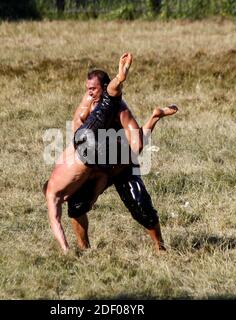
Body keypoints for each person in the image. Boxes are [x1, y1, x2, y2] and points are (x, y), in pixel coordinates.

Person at [44, 53, 178, 253]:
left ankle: (160, 248)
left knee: (141, 206)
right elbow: (78, 134)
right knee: (77, 205)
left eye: (94, 89)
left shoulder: (119, 109)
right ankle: (84, 247)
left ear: (104, 87)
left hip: (121, 162)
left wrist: (120, 161)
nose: (90, 93)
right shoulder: (88, 103)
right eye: (87, 89)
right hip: (96, 163)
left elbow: (136, 143)